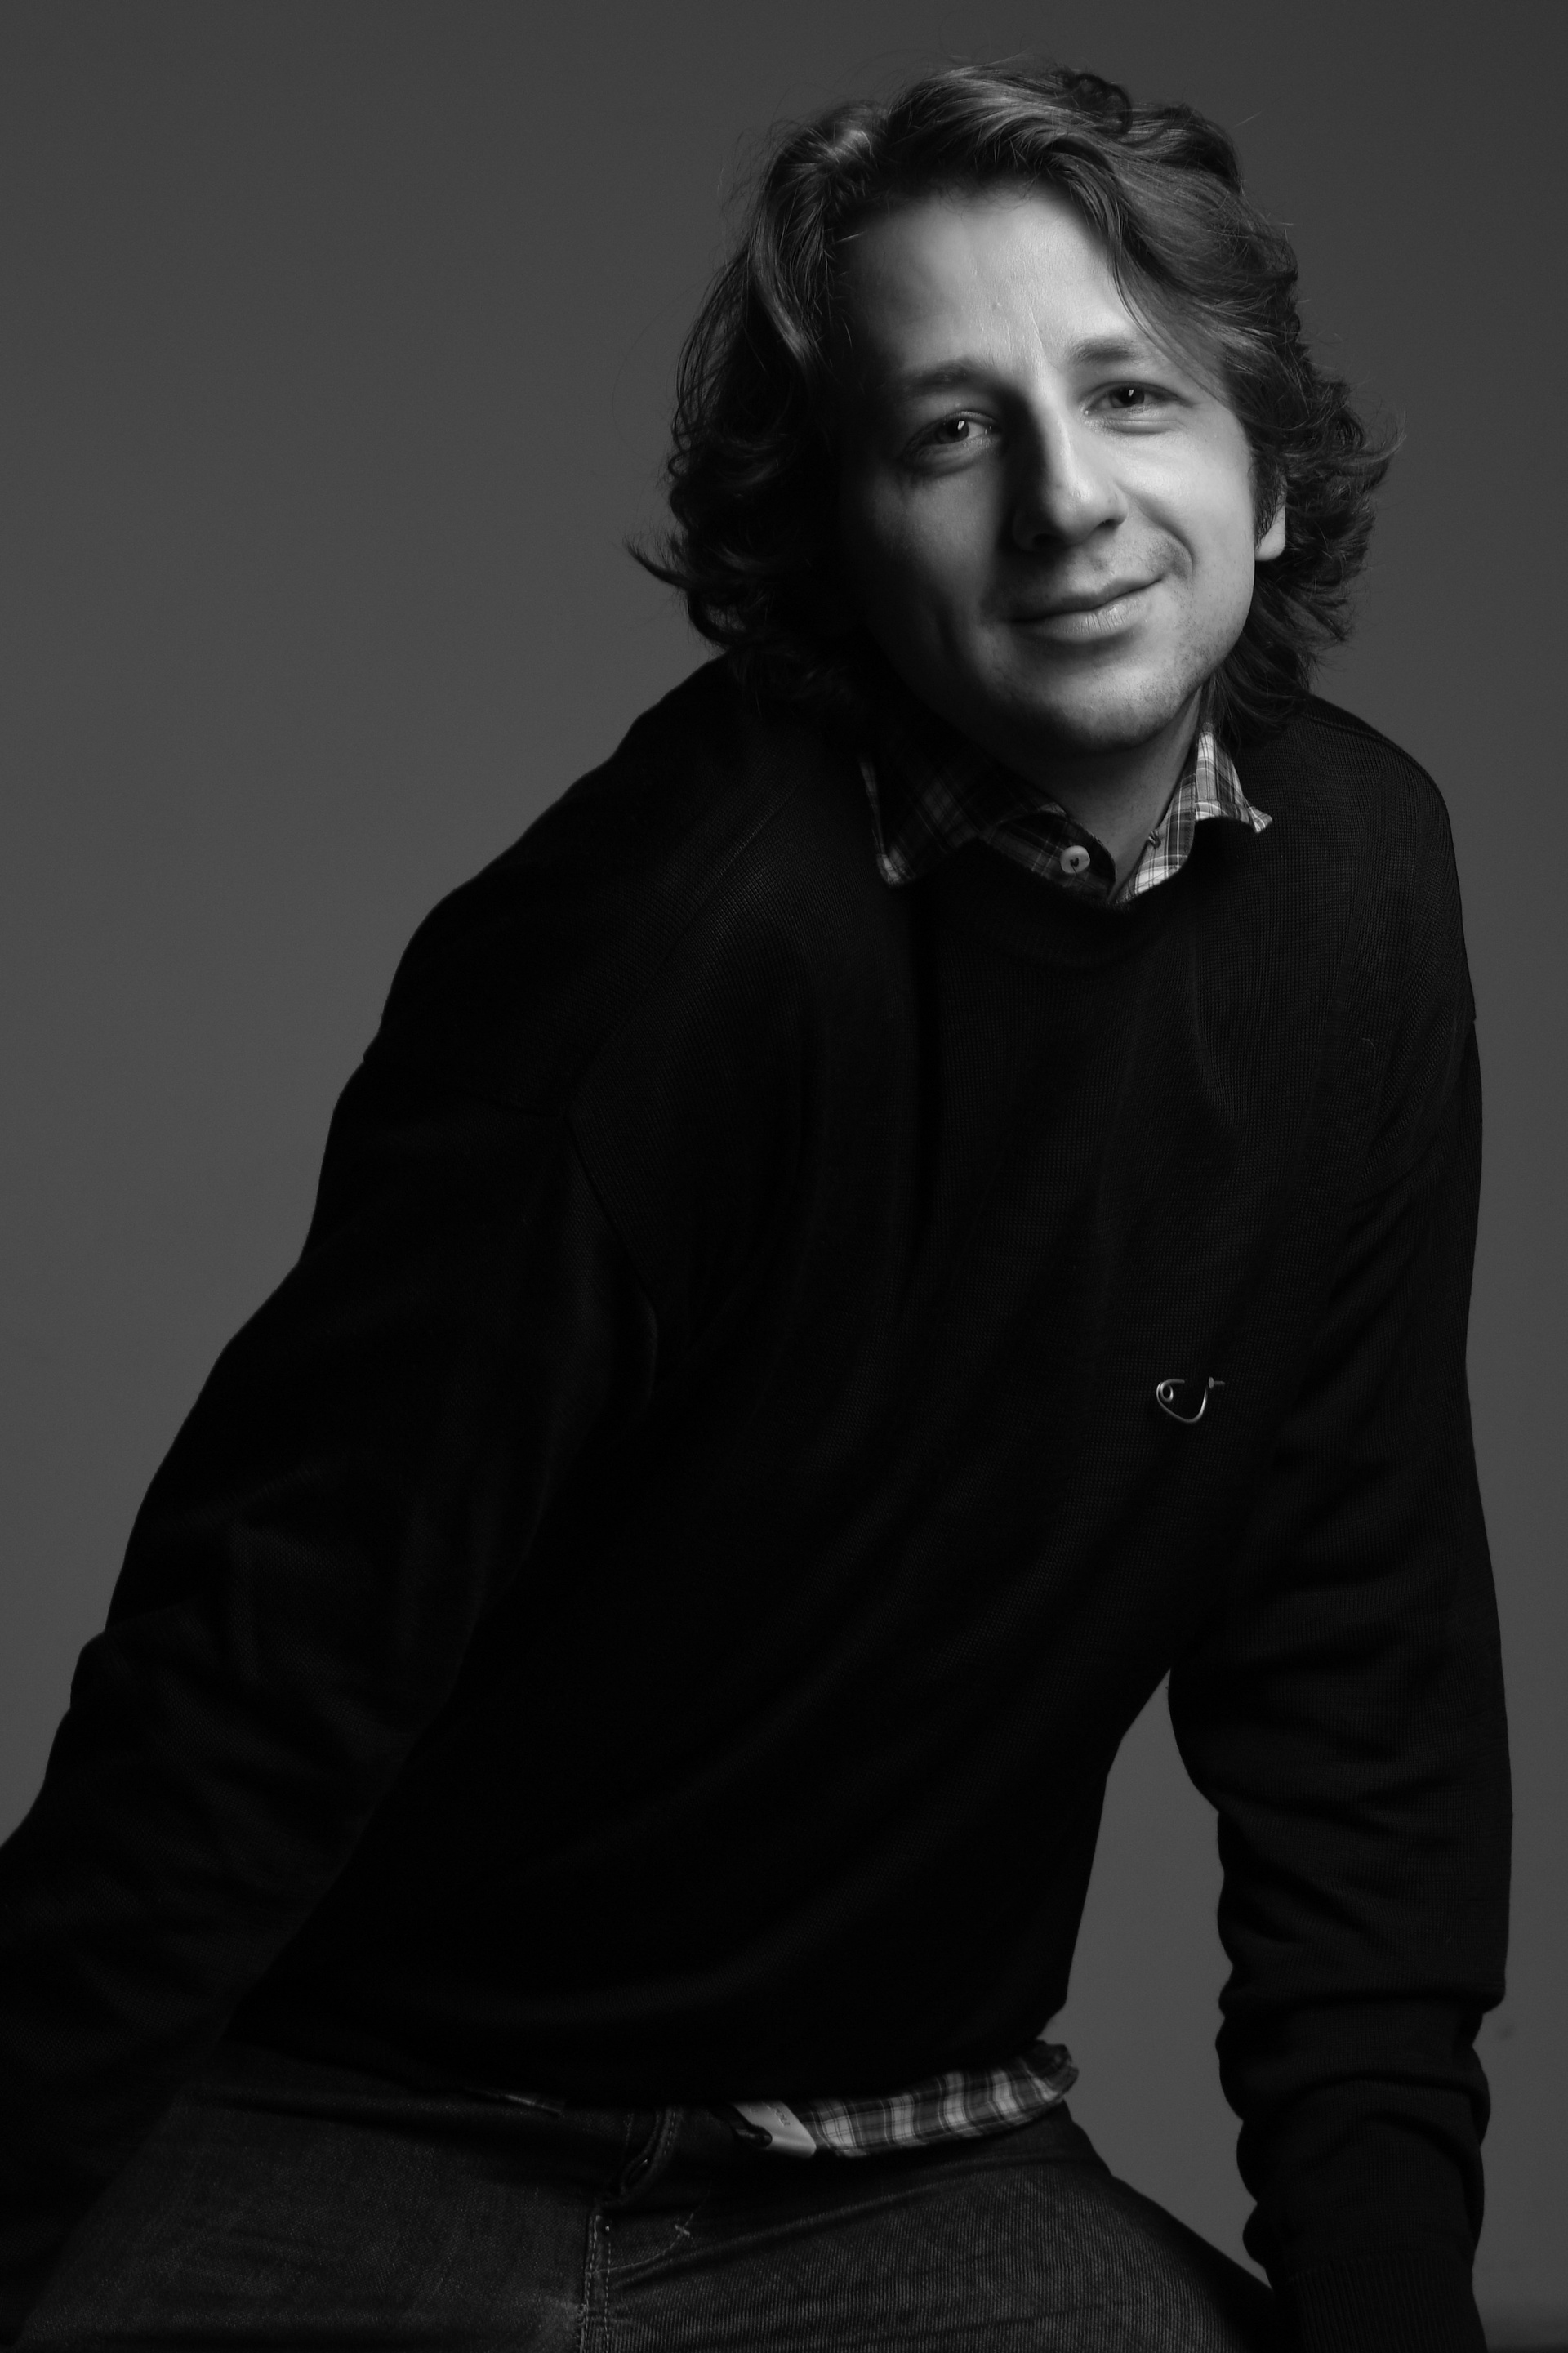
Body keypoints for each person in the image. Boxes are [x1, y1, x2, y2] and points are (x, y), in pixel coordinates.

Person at [0, 58, 1509, 2353]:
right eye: (950, 431)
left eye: (1130, 394)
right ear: (836, 536)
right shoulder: (676, 939)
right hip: (361, 2118)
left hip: (901, 2166)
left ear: (1268, 474)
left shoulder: (1365, 893)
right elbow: (258, 1669)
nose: (1069, 499)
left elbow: (1356, 1680)